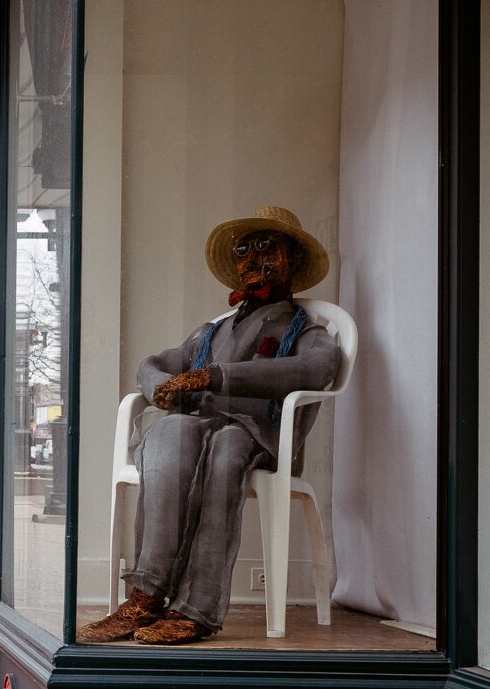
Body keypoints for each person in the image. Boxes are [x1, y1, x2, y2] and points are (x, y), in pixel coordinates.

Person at [77, 205, 341, 646]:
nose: (253, 259)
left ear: (292, 259)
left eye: (266, 248)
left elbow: (317, 369)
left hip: (256, 432)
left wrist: (216, 377)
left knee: (225, 452)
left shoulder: (304, 328)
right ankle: (147, 593)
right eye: (244, 249)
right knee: (167, 433)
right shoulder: (210, 332)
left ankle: (197, 608)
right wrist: (163, 385)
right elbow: (154, 364)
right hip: (200, 423)